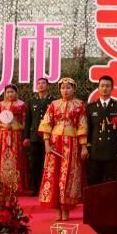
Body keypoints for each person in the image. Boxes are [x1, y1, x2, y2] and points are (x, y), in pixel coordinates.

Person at [38, 77, 88, 221]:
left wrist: (83, 147)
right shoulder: (54, 104)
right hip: (55, 143)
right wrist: (47, 144)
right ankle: (57, 210)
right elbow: (46, 124)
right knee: (54, 174)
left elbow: (82, 126)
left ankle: (66, 209)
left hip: (72, 143)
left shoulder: (79, 105)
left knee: (68, 175)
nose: (65, 90)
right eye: (63, 88)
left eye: (68, 88)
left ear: (74, 89)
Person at [86, 76, 117, 185]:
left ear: (112, 88)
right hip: (95, 148)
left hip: (112, 149)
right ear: (98, 88)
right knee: (94, 179)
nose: (105, 88)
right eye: (102, 86)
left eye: (108, 86)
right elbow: (88, 129)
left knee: (111, 180)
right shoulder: (91, 107)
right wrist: (87, 147)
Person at [0, 83, 28, 193]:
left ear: (16, 93)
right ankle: (2, 185)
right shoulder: (0, 105)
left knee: (17, 158)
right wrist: (2, 125)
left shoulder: (22, 105)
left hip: (16, 135)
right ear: (5, 94)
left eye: (12, 92)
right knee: (2, 157)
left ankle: (16, 186)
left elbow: (25, 122)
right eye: (7, 92)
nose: (10, 94)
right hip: (3, 135)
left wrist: (17, 125)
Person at [24, 78, 52, 196]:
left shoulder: (53, 101)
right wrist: (26, 137)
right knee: (35, 163)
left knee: (48, 163)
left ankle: (47, 188)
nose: (40, 85)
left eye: (43, 83)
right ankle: (35, 188)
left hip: (49, 137)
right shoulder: (31, 101)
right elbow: (28, 121)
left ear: (48, 86)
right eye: (38, 83)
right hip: (35, 137)